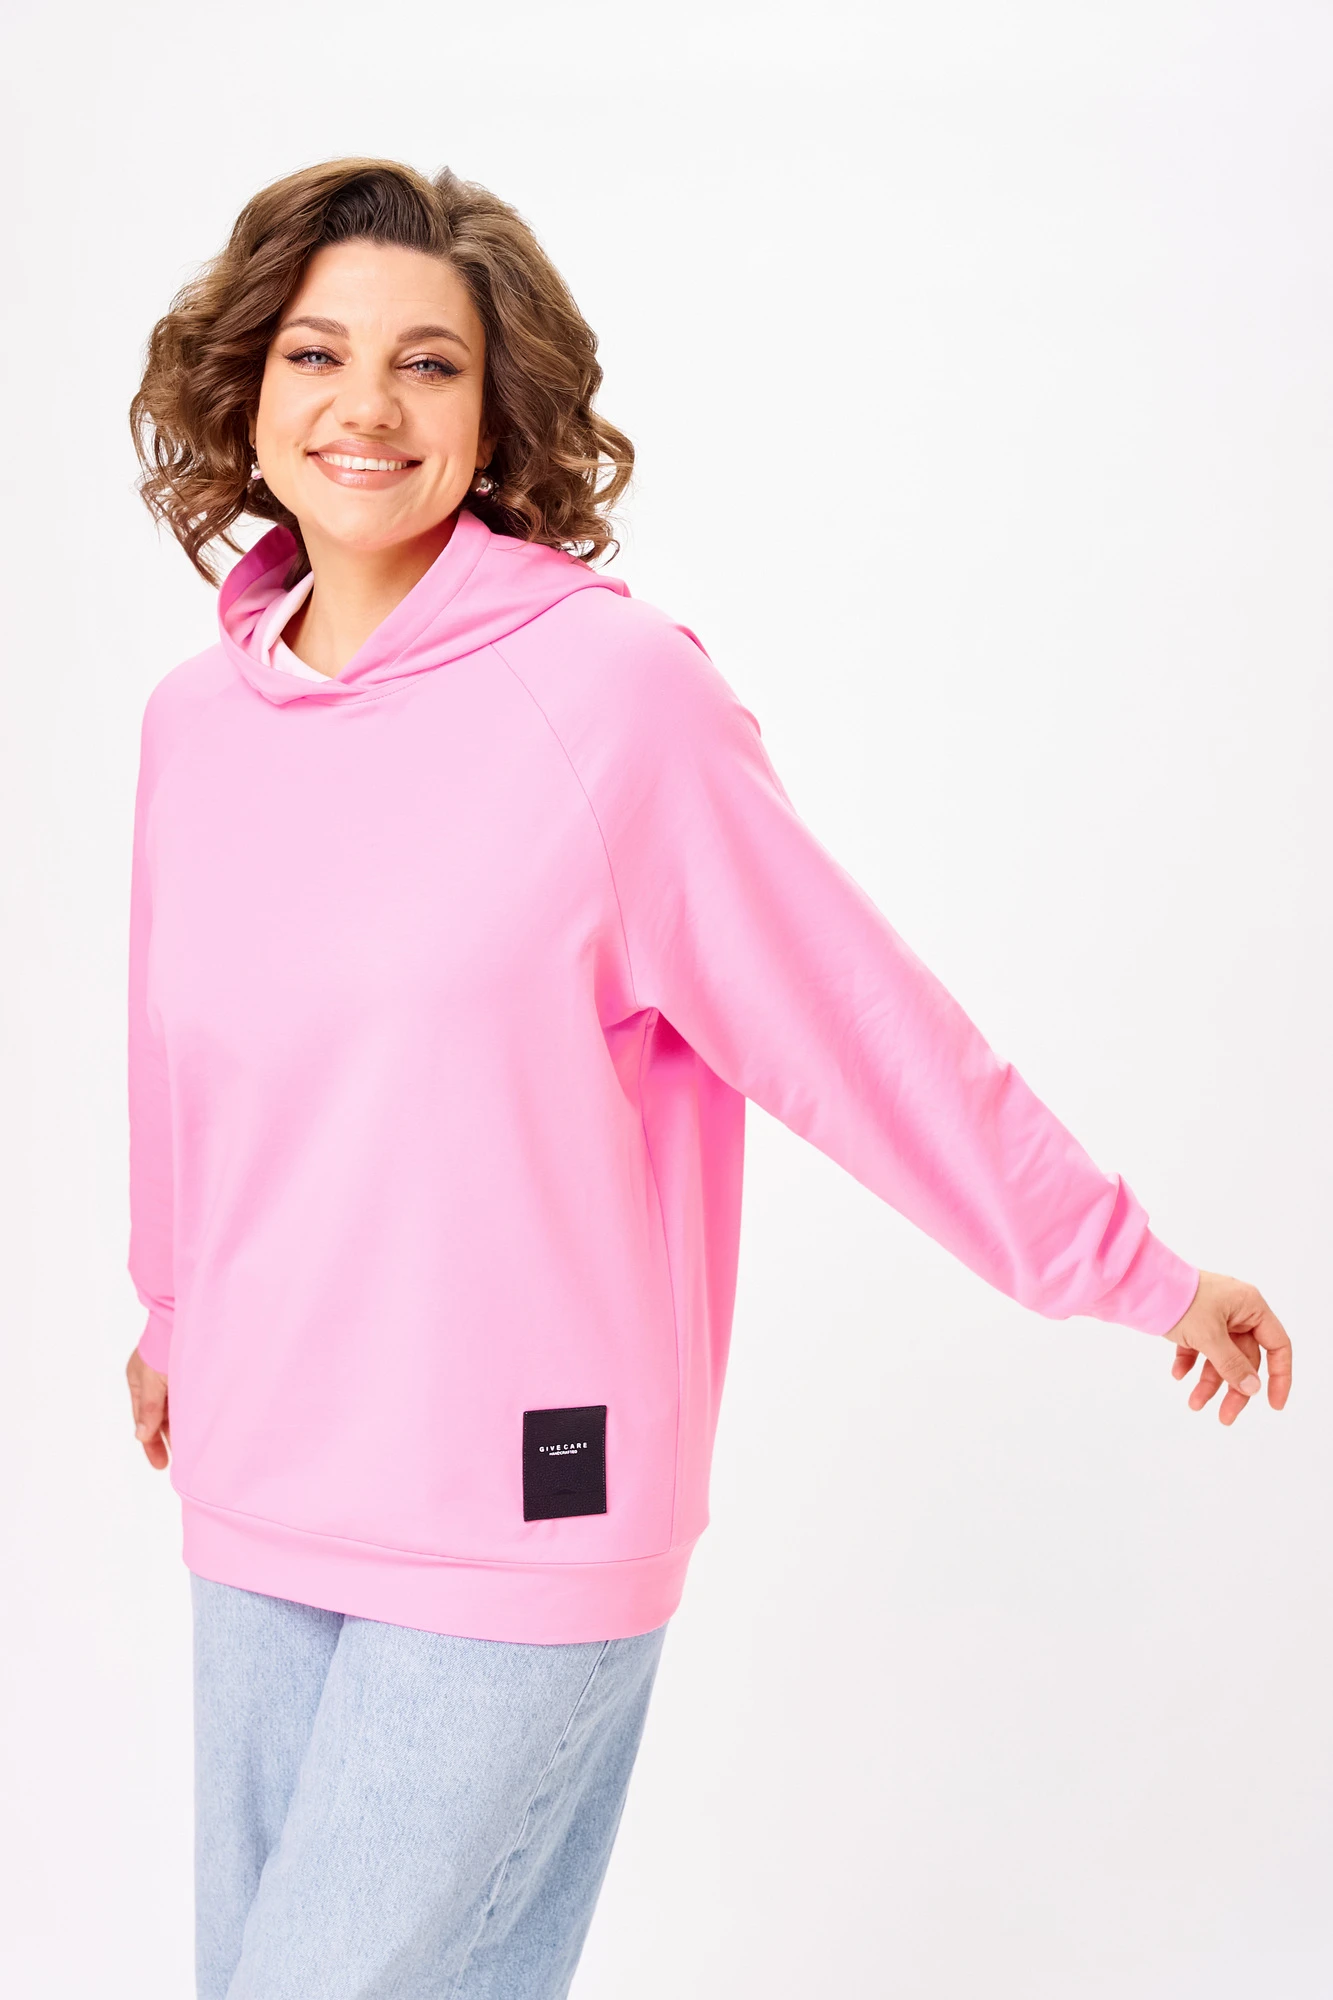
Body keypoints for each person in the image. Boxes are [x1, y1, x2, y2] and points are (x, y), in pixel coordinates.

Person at [123, 157, 1292, 2000]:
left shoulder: (611, 699)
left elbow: (861, 1028)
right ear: (248, 390)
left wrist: (1131, 1268)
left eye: (429, 364)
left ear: (497, 412)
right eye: (317, 354)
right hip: (262, 1479)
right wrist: (175, 1312)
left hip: (516, 1510)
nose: (366, 407)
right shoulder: (198, 722)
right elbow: (178, 1047)